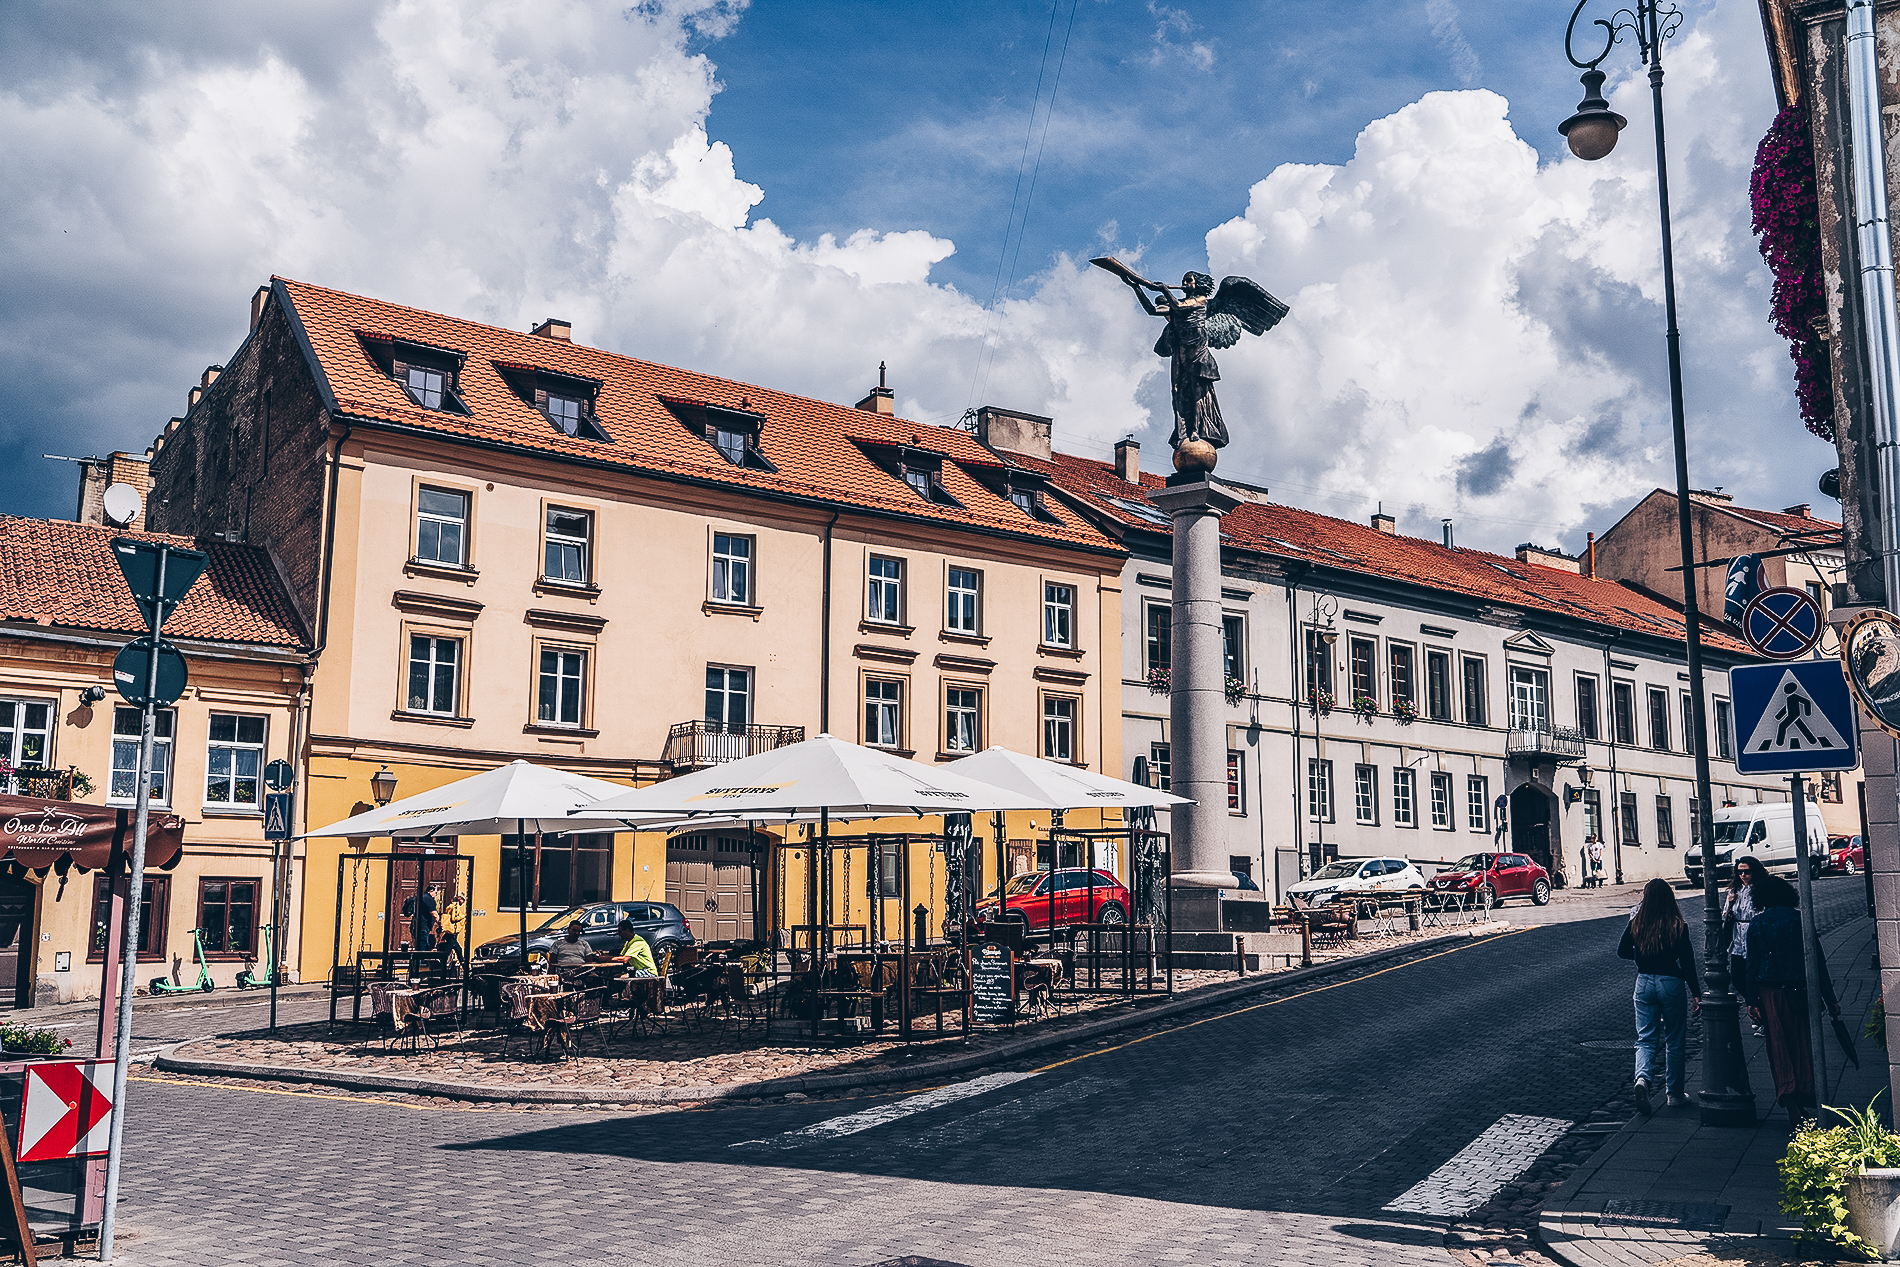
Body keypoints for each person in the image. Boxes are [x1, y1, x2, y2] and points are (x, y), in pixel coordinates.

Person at [1744, 872, 1839, 1124]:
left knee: (1778, 1046)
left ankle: (1789, 1097)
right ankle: (1806, 1091)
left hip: (1770, 993)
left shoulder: (1757, 924)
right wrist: (1831, 1000)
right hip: (1800, 991)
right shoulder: (1801, 920)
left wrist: (1751, 1000)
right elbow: (1818, 962)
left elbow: (1751, 967)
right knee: (1803, 1044)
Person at [1618, 877, 1700, 1113]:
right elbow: (1687, 961)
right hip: (1671, 983)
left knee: (1645, 1039)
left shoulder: (1637, 922)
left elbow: (1622, 951)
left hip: (1643, 982)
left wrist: (1643, 956)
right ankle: (1674, 1093)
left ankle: (1642, 1080)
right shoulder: (1677, 924)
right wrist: (1696, 993)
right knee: (1674, 1039)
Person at [1723, 857, 1763, 1033]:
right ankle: (1755, 1005)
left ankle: (1761, 1014)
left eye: (1746, 871)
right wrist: (1731, 903)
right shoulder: (1734, 890)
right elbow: (1726, 914)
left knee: (1755, 975)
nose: (1743, 875)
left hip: (1754, 935)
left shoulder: (1760, 889)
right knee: (1738, 977)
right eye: (1740, 872)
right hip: (1738, 937)